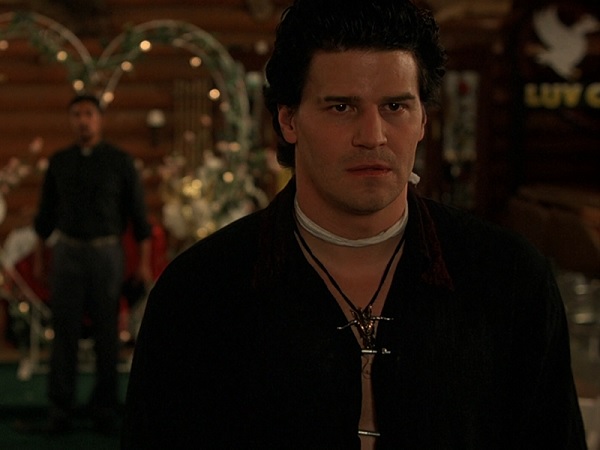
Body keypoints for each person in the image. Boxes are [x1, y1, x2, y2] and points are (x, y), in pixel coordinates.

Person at [121, 0, 587, 448]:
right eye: (341, 107)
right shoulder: (200, 292)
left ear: (423, 119)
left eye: (395, 107)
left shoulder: (508, 279)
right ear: (288, 119)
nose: (373, 136)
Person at [32, 94, 153, 434]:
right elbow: (45, 216)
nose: (83, 120)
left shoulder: (120, 162)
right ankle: (60, 409)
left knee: (106, 334)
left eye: (88, 114)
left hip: (106, 255)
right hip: (67, 255)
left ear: (100, 119)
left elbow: (139, 217)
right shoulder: (59, 162)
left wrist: (144, 263)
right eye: (77, 114)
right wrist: (41, 259)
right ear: (71, 120)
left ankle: (105, 409)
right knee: (64, 334)